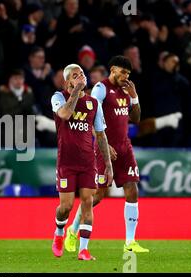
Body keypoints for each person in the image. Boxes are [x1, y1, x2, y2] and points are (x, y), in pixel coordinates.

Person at [65, 56, 150, 253]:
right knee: (98, 195)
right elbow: (90, 115)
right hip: (105, 147)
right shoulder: (100, 89)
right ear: (113, 69)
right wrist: (104, 144)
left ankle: (130, 242)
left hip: (124, 147)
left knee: (132, 190)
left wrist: (134, 96)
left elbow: (136, 119)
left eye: (128, 73)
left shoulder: (126, 90)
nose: (125, 76)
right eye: (122, 72)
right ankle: (72, 230)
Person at [51, 64, 113, 261]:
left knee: (87, 202)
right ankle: (59, 232)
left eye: (82, 75)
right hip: (66, 162)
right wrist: (77, 89)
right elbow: (65, 115)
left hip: (88, 162)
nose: (81, 78)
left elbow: (101, 135)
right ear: (67, 81)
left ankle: (83, 250)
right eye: (75, 76)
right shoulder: (58, 97)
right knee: (66, 207)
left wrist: (108, 164)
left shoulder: (94, 104)